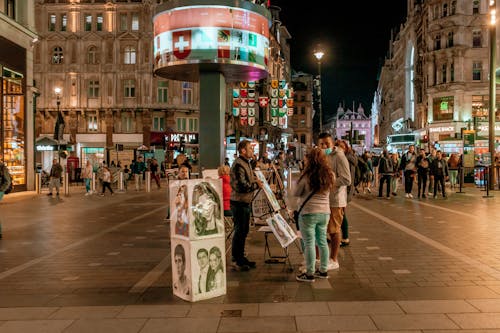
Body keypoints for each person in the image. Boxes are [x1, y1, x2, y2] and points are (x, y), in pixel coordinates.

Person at [294, 147, 335, 282]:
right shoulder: (330, 175)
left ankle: (310, 273)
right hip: (324, 213)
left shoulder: (307, 176)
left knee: (310, 242)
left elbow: (297, 193)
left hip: (308, 213)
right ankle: (323, 270)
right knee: (322, 241)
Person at [317, 133, 351, 271]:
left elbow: (347, 179)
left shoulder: (339, 156)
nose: (324, 146)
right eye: (322, 144)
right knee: (321, 230)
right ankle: (319, 259)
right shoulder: (322, 155)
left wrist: (330, 183)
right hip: (323, 199)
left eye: (327, 144)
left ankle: (334, 259)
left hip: (336, 200)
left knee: (334, 230)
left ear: (332, 144)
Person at [230, 139, 262, 271]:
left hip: (244, 202)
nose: (252, 151)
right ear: (243, 150)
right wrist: (256, 185)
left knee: (244, 231)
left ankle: (241, 257)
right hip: (239, 202)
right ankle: (237, 259)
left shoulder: (245, 163)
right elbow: (241, 186)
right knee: (239, 231)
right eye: (250, 149)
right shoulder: (238, 165)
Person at [341, 141, 357, 247]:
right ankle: (342, 236)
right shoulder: (347, 157)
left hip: (345, 190)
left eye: (341, 147)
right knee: (340, 213)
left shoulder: (347, 159)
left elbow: (348, 178)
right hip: (345, 190)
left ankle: (345, 237)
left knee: (342, 213)